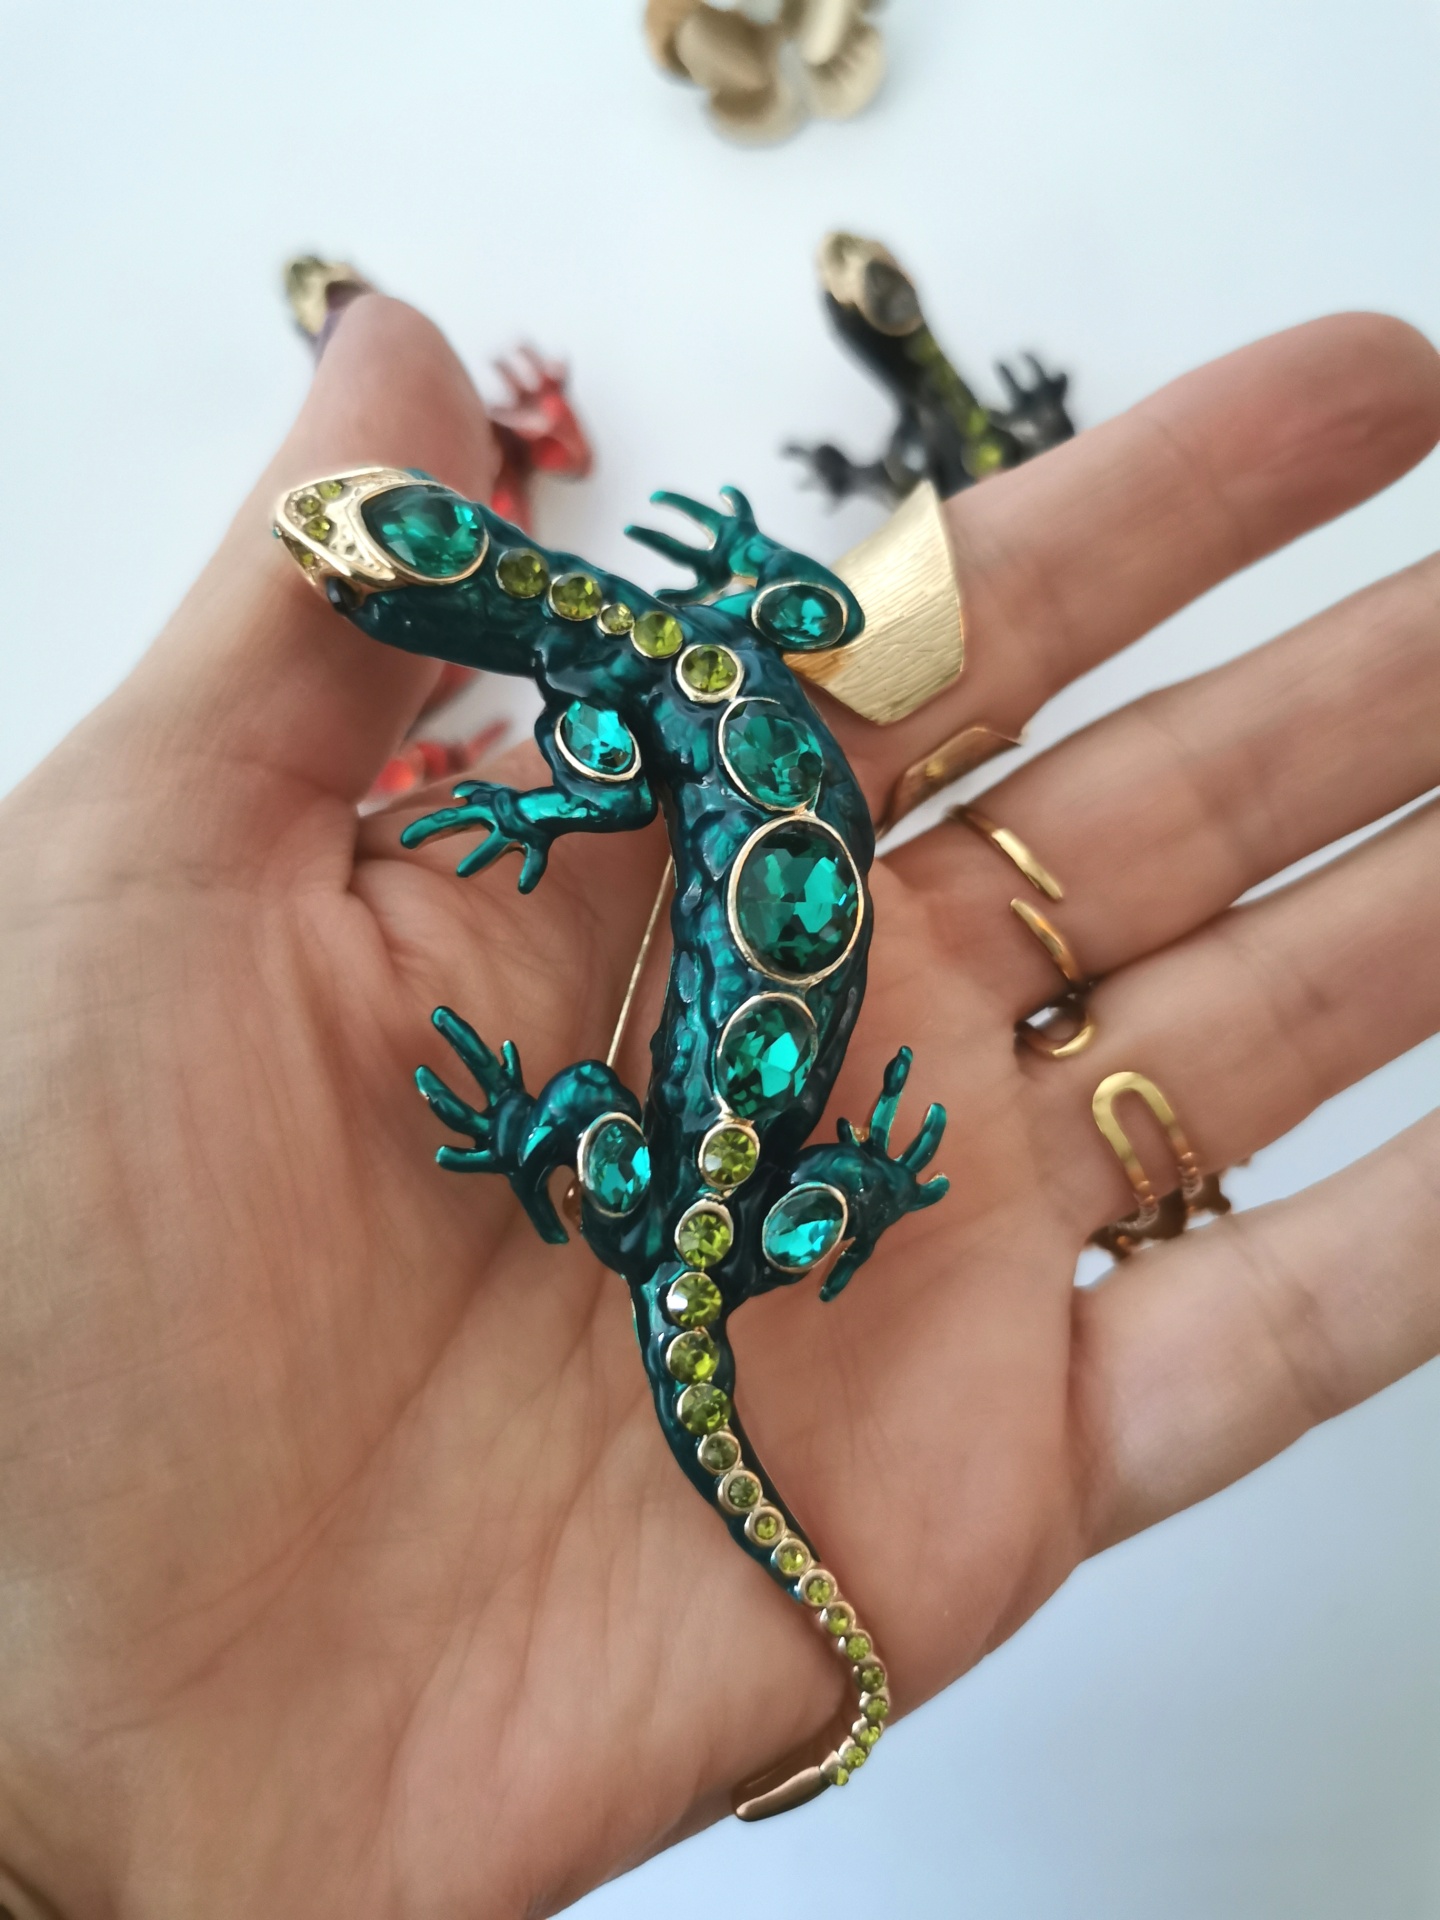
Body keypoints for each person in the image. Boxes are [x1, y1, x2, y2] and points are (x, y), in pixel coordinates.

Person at [0, 293, 1436, 1919]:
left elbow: (615, 788)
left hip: (743, 1117)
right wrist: (742, 589)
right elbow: (796, 629)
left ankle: (838, 1629)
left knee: (607, 1123)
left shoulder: (622, 722)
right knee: (605, 1120)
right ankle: (838, 1632)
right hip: (746, 1014)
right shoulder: (686, 654)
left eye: (362, 568)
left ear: (454, 608)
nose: (333, 561)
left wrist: (558, 862)